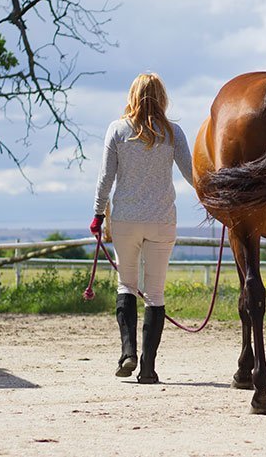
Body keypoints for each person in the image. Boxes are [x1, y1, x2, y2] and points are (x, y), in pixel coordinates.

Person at [90, 72, 193, 384]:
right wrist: (218, 200)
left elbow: (106, 177)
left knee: (126, 284)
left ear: (132, 96)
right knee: (155, 292)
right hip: (162, 220)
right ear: (162, 98)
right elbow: (192, 174)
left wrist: (97, 214)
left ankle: (127, 352)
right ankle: (148, 367)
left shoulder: (118, 129)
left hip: (125, 220)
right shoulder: (173, 133)